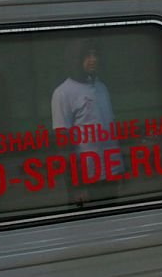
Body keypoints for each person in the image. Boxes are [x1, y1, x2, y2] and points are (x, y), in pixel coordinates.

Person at [51, 39, 124, 205]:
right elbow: (63, 143)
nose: (93, 59)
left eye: (95, 55)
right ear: (75, 59)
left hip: (111, 173)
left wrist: (120, 169)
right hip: (87, 178)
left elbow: (111, 131)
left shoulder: (102, 87)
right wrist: (76, 185)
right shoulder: (63, 93)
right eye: (87, 55)